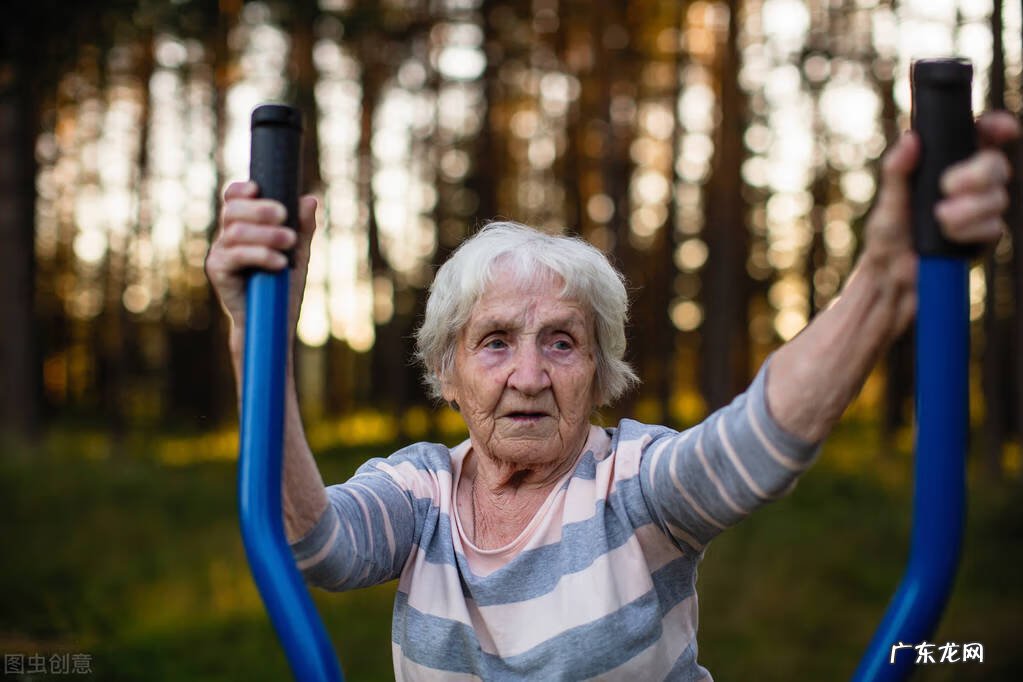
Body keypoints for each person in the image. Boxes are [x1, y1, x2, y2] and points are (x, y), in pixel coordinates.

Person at [205, 113, 1018, 680]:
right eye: (494, 342)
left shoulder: (632, 484)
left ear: (598, 371)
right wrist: (254, 334)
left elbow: (753, 443)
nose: (528, 376)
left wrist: (880, 282)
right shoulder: (420, 495)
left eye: (561, 342)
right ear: (446, 372)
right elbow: (313, 544)